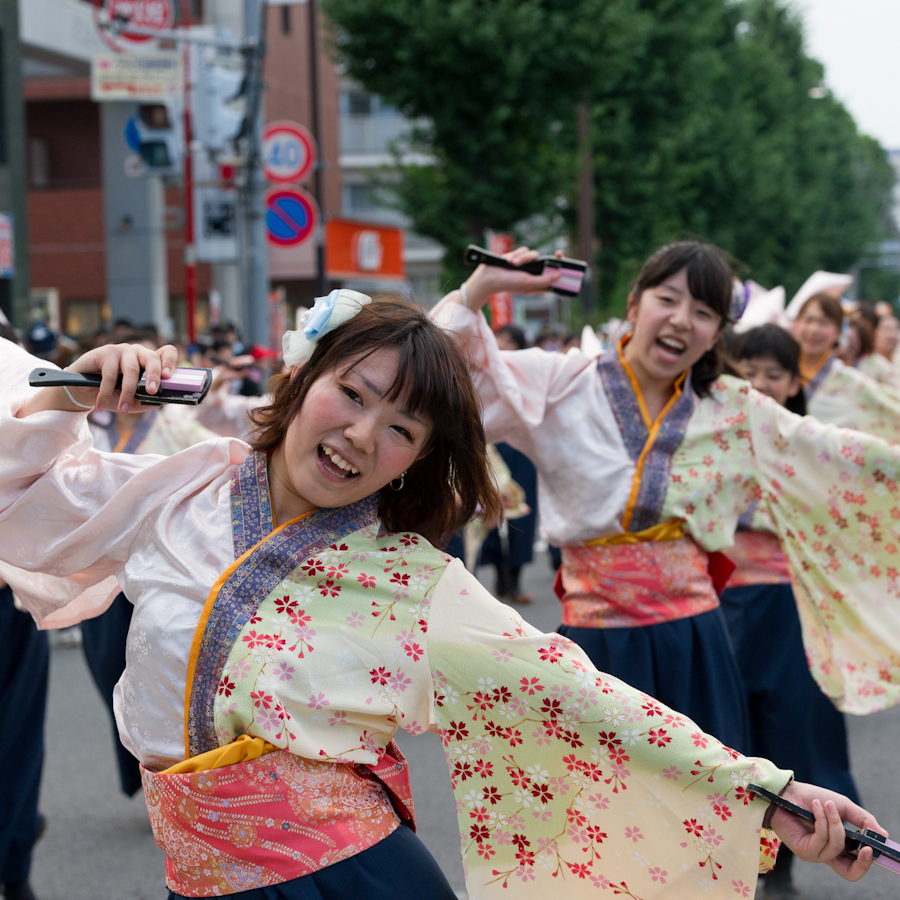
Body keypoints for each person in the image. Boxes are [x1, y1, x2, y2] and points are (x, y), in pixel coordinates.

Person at [0, 293, 880, 899]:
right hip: (199, 870)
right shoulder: (179, 489)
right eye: (351, 393)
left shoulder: (410, 582)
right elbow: (21, 501)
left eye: (401, 429)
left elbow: (579, 697)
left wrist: (770, 794)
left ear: (418, 460)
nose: (359, 435)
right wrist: (70, 392)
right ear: (303, 380)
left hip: (344, 877)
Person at [433, 240, 900, 748]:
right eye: (668, 299)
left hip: (696, 643)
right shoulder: (562, 382)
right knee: (600, 815)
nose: (681, 319)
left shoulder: (734, 408)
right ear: (635, 303)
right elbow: (438, 380)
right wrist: (480, 289)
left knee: (708, 813)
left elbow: (835, 455)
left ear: (716, 335)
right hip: (594, 644)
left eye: (702, 312)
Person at [727, 324, 860, 899]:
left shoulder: (812, 442)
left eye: (773, 373)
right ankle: (736, 861)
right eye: (747, 369)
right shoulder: (705, 436)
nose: (758, 383)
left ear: (793, 384)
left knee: (791, 728)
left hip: (790, 608)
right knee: (730, 733)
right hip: (723, 603)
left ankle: (780, 866)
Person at [479, 324, 539, 603]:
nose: (502, 344)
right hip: (489, 447)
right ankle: (500, 574)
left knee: (521, 509)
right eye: (498, 338)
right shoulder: (480, 370)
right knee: (487, 507)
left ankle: (515, 580)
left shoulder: (528, 374)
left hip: (521, 447)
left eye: (509, 340)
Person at [793, 293, 900, 436]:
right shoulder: (781, 371)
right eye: (808, 320)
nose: (813, 329)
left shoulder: (854, 383)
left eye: (824, 323)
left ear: (838, 331)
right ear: (796, 323)